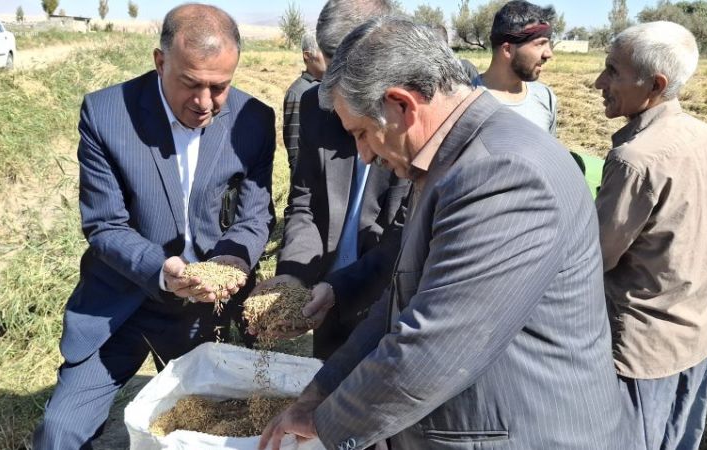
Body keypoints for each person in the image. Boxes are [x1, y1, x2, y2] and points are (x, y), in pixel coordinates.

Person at [260, 17, 632, 450]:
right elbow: (402, 302)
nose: (363, 155)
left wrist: (327, 423)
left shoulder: (500, 172)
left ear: (402, 105)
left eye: (362, 134)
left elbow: (433, 348)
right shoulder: (451, 160)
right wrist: (321, 390)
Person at [34, 4, 276, 447]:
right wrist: (161, 271)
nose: (205, 103)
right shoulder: (106, 114)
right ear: (160, 61)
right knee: (60, 431)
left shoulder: (254, 120)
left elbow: (255, 215)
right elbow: (105, 225)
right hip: (122, 300)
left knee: (203, 431)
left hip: (205, 310)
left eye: (219, 87)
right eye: (191, 83)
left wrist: (230, 262)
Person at [594, 21, 707, 450]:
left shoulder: (635, 161)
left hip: (642, 352)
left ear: (655, 85)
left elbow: (595, 258)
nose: (599, 82)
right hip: (697, 338)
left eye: (612, 71)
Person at [257, 0, 410, 360]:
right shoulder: (317, 105)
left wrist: (341, 288)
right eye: (329, 69)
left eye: (347, 73)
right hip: (325, 299)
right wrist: (294, 276)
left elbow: (406, 234)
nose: (334, 89)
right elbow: (306, 202)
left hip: (389, 303)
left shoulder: (414, 118)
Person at [473, 0, 557, 136]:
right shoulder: (466, 101)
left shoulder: (545, 97)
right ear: (507, 49)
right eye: (540, 44)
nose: (549, 54)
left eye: (548, 44)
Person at [282, 33, 326, 175]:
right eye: (324, 51)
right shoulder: (297, 93)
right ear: (307, 56)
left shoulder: (333, 87)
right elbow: (294, 148)